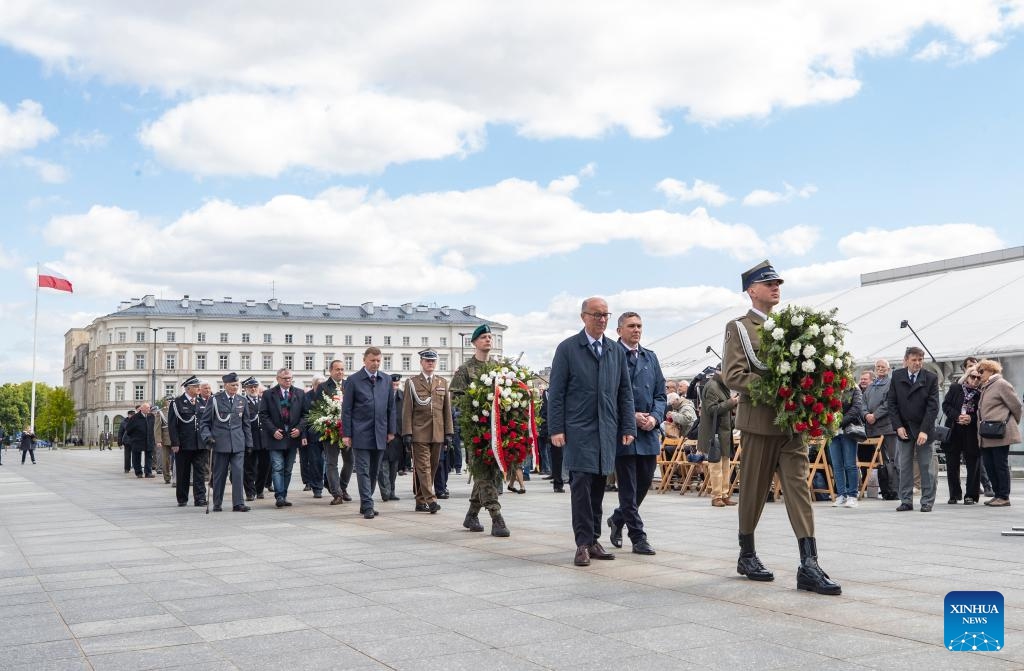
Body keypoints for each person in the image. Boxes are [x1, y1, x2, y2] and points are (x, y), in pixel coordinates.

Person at [722, 260, 840, 595]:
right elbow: (733, 375)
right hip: (760, 422)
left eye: (778, 283)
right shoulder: (740, 327)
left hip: (792, 424)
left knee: (799, 490)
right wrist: (775, 389)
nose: (776, 287)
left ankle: (809, 564)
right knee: (754, 492)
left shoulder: (792, 328)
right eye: (768, 283)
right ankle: (747, 553)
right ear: (752, 290)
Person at [548, 297, 637, 567]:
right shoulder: (568, 349)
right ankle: (582, 543)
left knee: (599, 486)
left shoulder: (614, 350)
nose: (602, 319)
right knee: (581, 486)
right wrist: (556, 428)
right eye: (596, 314)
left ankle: (594, 539)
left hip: (606, 431)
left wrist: (627, 426)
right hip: (578, 430)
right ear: (583, 317)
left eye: (605, 315)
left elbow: (625, 392)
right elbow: (557, 393)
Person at [606, 311, 665, 556]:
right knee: (628, 488)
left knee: (643, 484)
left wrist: (654, 417)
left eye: (639, 325)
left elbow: (660, 395)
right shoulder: (610, 356)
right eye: (631, 326)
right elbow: (607, 395)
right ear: (619, 330)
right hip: (624, 432)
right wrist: (630, 416)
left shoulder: (650, 358)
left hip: (648, 432)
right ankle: (638, 536)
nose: (636, 330)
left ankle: (618, 518)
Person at [451, 323, 510, 536]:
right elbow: (455, 399)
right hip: (475, 431)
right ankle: (497, 517)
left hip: (497, 431)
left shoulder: (498, 368)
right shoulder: (465, 369)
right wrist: (474, 404)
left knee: (488, 473)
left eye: (490, 337)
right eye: (484, 337)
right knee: (484, 472)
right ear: (474, 342)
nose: (488, 340)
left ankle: (471, 515)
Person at [342, 347, 396, 519]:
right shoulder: (353, 380)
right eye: (372, 360)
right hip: (360, 433)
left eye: (379, 360)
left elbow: (391, 408)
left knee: (374, 470)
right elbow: (347, 410)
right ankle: (367, 505)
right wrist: (346, 434)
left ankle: (367, 500)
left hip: (380, 432)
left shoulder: (386, 380)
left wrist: (391, 431)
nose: (376, 363)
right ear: (364, 360)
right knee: (363, 470)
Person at [885, 346, 940, 513]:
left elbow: (933, 407)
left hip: (924, 428)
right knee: (905, 466)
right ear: (906, 360)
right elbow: (891, 403)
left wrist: (924, 430)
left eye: (920, 360)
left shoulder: (930, 378)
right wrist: (898, 426)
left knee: (926, 466)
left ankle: (927, 501)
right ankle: (906, 500)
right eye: (914, 360)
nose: (917, 363)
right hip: (904, 428)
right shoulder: (897, 375)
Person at [402, 349, 453, 514]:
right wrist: (407, 432)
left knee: (432, 467)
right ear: (421, 362)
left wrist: (449, 433)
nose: (430, 363)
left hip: (437, 432)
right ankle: (431, 500)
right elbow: (407, 410)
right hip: (419, 431)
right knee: (424, 467)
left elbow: (447, 410)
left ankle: (420, 500)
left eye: (432, 361)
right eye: (427, 361)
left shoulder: (442, 382)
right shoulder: (412, 382)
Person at [200, 373, 253, 512]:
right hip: (220, 442)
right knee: (219, 475)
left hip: (238, 443)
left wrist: (249, 443)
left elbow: (246, 424)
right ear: (225, 385)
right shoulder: (215, 400)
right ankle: (217, 503)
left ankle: (238, 503)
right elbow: (204, 422)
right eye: (233, 385)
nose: (236, 387)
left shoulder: (242, 400)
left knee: (238, 473)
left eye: (237, 385)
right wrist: (208, 437)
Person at [976, 359, 1022, 508]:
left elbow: (1016, 405)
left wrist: (1009, 423)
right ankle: (997, 494)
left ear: (991, 370)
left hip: (999, 432)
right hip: (987, 433)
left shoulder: (1001, 384)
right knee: (989, 464)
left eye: (982, 371)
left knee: (999, 464)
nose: (979, 374)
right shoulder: (986, 386)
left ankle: (1004, 496)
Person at [259, 368, 307, 508]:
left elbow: (305, 415)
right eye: (285, 378)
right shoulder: (269, 394)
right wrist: (273, 430)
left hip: (292, 436)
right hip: (276, 436)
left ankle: (284, 495)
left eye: (290, 378)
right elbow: (263, 415)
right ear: (278, 379)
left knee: (288, 469)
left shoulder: (299, 393)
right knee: (277, 467)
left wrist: (299, 429)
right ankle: (279, 495)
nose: (288, 380)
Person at [941, 366, 982, 504]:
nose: (975, 380)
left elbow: (983, 413)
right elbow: (946, 405)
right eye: (973, 376)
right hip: (954, 429)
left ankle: (971, 495)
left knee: (973, 464)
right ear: (967, 376)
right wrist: (957, 416)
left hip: (971, 431)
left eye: (978, 378)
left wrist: (971, 418)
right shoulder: (955, 388)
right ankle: (954, 494)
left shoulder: (981, 393)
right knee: (952, 463)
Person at [695, 367, 736, 507]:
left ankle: (724, 495)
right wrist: (732, 402)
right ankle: (716, 496)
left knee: (725, 465)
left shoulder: (722, 385)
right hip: (715, 432)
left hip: (724, 431)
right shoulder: (712, 386)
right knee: (716, 466)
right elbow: (711, 410)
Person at [315, 360, 353, 505]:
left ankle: (342, 488)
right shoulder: (323, 387)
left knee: (350, 461)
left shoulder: (348, 385)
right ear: (330, 371)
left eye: (342, 369)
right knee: (332, 463)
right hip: (330, 429)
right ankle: (336, 494)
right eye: (337, 369)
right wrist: (328, 422)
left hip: (347, 430)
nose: (340, 372)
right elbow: (317, 408)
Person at [168, 376, 209, 507]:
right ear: (188, 388)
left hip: (199, 444)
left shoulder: (202, 402)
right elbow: (172, 425)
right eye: (196, 386)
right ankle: (182, 498)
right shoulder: (177, 403)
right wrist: (175, 443)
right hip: (184, 444)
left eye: (199, 386)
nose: (199, 388)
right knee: (183, 473)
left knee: (200, 472)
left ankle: (200, 498)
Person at [863, 359, 898, 501]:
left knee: (893, 459)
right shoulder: (870, 387)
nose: (880, 369)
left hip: (887, 428)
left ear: (888, 369)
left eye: (883, 367)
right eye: (878, 367)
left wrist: (875, 415)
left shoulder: (891, 384)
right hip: (873, 429)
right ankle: (885, 490)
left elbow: (889, 403)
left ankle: (894, 490)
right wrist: (866, 415)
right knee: (881, 461)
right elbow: (863, 404)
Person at [829, 384, 865, 508]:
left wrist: (839, 422)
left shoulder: (854, 388)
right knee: (837, 465)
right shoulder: (830, 388)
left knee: (850, 464)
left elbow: (856, 409)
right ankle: (841, 495)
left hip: (848, 430)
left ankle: (852, 495)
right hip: (832, 432)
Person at [242, 377, 270, 501]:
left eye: (255, 387)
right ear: (245, 389)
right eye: (250, 387)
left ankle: (259, 489)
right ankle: (249, 492)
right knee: (249, 467)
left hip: (264, 438)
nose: (253, 389)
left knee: (264, 466)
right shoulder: (242, 402)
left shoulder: (263, 400)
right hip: (250, 438)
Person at [378, 374, 405, 503]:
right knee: (383, 467)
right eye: (393, 385)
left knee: (394, 467)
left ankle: (392, 491)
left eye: (397, 384)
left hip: (397, 437)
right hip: (383, 436)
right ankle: (385, 492)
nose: (395, 387)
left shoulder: (403, 396)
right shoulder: (381, 394)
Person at [300, 377, 326, 499]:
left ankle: (329, 484)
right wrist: (303, 435)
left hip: (327, 433)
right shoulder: (307, 397)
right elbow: (304, 417)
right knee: (315, 461)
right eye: (318, 385)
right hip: (312, 434)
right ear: (314, 385)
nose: (321, 387)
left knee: (327, 462)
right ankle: (317, 487)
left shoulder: (328, 395)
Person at [123, 403, 156, 478]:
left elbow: (153, 427)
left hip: (149, 439)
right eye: (147, 408)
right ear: (142, 409)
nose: (149, 409)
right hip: (137, 440)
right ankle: (138, 472)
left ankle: (148, 472)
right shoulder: (135, 417)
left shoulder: (151, 416)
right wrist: (134, 437)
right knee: (136, 456)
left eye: (149, 408)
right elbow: (128, 429)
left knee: (149, 456)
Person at [152, 404, 173, 485]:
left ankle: (177, 476)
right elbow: (157, 427)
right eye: (169, 400)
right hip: (166, 439)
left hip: (178, 438)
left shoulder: (178, 409)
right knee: (165, 460)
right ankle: (167, 477)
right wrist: (158, 440)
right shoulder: (160, 412)